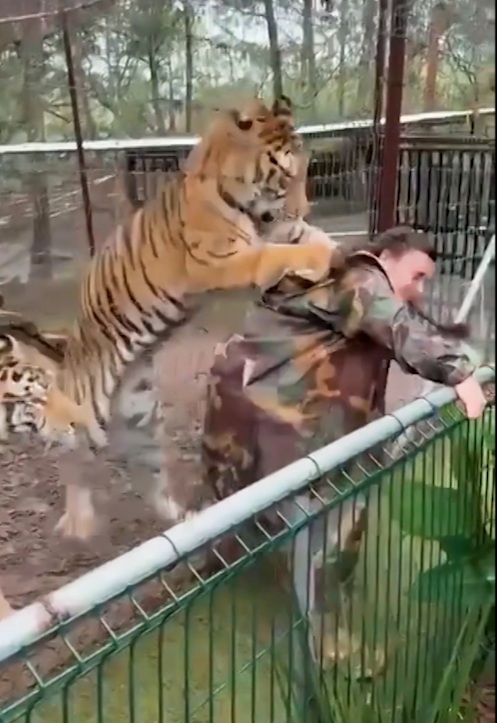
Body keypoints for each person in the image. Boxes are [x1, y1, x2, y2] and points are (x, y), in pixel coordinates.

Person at [195, 225, 488, 669]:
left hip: (248, 406)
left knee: (245, 500)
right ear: (386, 257)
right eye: (417, 276)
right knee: (334, 526)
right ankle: (331, 642)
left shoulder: (336, 279)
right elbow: (397, 325)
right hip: (278, 418)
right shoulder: (360, 279)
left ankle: (226, 559)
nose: (420, 290)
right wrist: (460, 371)